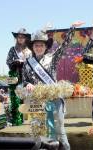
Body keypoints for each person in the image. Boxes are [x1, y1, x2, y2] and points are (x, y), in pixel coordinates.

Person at [22, 21, 84, 150]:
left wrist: (72, 28)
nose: (38, 47)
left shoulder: (52, 58)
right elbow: (25, 80)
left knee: (59, 130)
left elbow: (64, 46)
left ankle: (66, 148)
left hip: (54, 99)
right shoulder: (27, 63)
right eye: (36, 45)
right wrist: (28, 84)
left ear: (45, 47)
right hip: (37, 100)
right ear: (32, 47)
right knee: (38, 129)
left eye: (41, 45)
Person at [6, 28, 32, 125]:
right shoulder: (12, 49)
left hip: (25, 76)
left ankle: (24, 119)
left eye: (23, 37)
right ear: (16, 38)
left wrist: (24, 64)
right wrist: (14, 62)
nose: (20, 39)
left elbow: (31, 64)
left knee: (23, 98)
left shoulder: (29, 51)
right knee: (14, 98)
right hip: (14, 75)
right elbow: (7, 61)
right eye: (19, 37)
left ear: (26, 39)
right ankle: (16, 120)